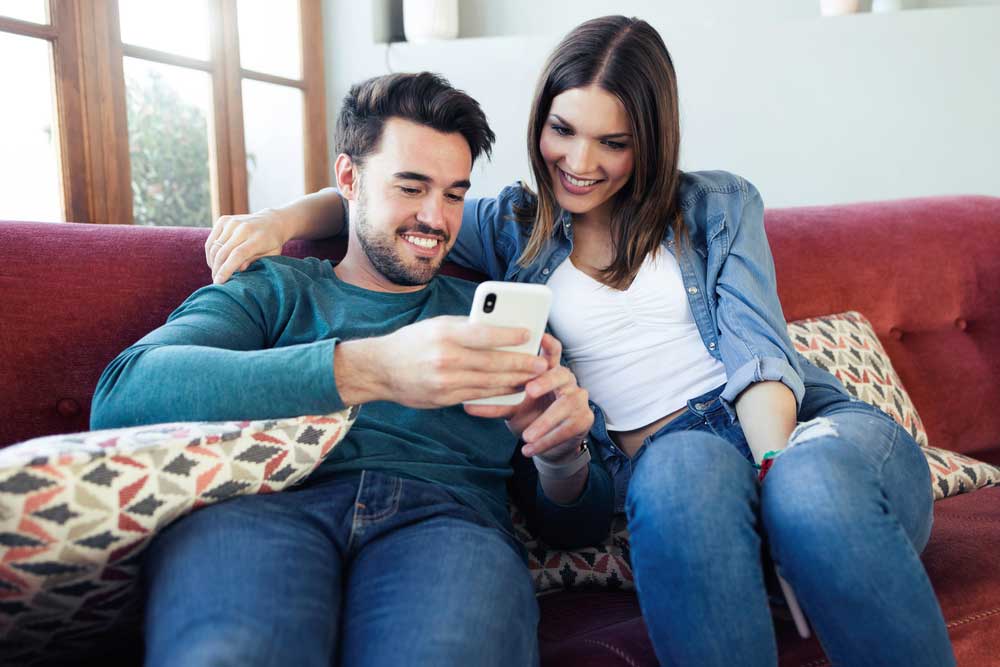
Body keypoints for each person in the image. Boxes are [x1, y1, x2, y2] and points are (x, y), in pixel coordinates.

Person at [206, 15, 956, 667]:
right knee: (680, 474)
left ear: (650, 142)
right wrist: (279, 222)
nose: (581, 162)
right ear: (540, 120)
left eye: (613, 142)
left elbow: (759, 352)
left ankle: (788, 504)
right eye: (563, 129)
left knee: (805, 486)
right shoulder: (511, 224)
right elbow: (395, 198)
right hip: (669, 462)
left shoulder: (718, 204)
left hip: (802, 432)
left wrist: (768, 469)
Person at [91, 71, 615, 667]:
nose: (436, 219)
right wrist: (372, 369)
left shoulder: (497, 325)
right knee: (232, 654)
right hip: (265, 509)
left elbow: (576, 528)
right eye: (411, 187)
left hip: (446, 526)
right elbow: (123, 393)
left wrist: (560, 455)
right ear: (348, 178)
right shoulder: (274, 288)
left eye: (453, 194)